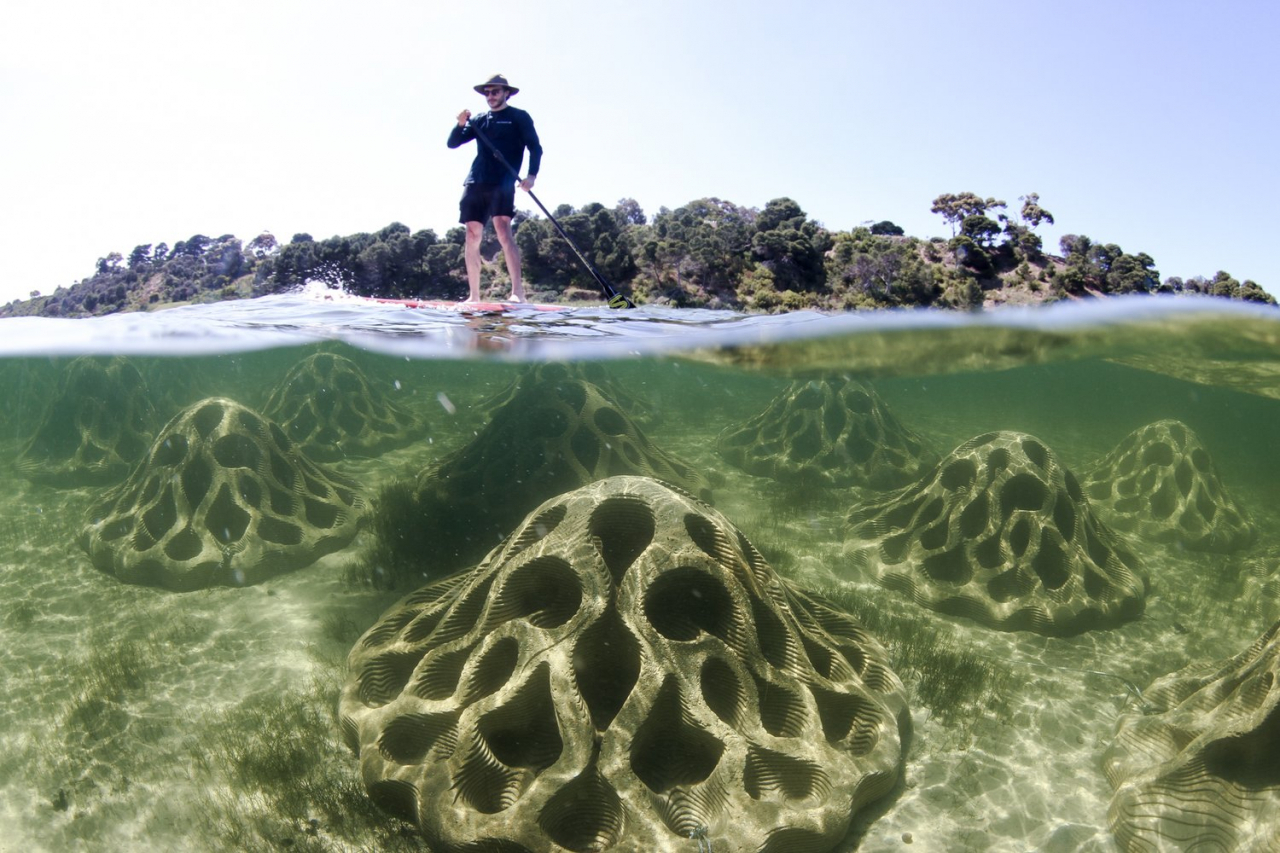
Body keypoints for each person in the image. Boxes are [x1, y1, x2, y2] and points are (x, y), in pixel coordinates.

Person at [447, 74, 542, 303]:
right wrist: (460, 124)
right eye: (487, 92)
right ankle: (474, 296)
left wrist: (531, 176)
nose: (491, 96)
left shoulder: (519, 117)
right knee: (472, 234)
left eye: (495, 92)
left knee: (503, 231)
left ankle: (517, 292)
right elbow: (453, 143)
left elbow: (535, 148)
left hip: (503, 182)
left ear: (506, 93)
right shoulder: (479, 120)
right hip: (476, 181)